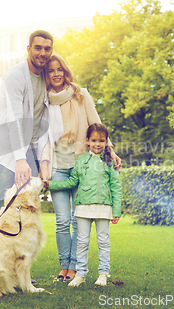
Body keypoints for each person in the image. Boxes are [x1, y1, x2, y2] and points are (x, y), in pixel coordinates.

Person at [44, 56, 121, 282]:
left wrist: (111, 150)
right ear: (46, 75)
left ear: (65, 71)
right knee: (61, 220)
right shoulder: (45, 100)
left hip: (81, 165)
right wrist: (44, 165)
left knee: (79, 219)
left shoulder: (81, 94)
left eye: (60, 69)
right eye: (51, 71)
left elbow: (96, 123)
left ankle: (76, 268)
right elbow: (41, 136)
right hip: (57, 164)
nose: (56, 74)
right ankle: (64, 267)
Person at [44, 123, 121, 287]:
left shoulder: (109, 162)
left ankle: (103, 274)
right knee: (82, 242)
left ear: (107, 142)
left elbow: (116, 187)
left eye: (101, 140)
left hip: (104, 208)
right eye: (94, 140)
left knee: (103, 241)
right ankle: (80, 274)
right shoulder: (80, 161)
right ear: (87, 141)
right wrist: (50, 185)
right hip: (83, 208)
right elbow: (72, 182)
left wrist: (117, 211)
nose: (97, 144)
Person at [0, 30, 53, 220]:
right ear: (28, 49)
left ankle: (20, 250)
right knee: (3, 208)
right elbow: (15, 120)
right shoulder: (15, 76)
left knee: (26, 209)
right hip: (7, 151)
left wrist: (43, 161)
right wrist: (20, 160)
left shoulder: (46, 77)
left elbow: (43, 122)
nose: (43, 53)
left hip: (30, 152)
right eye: (38, 48)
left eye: (47, 49)